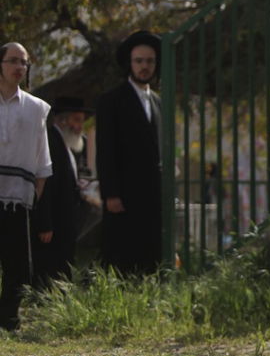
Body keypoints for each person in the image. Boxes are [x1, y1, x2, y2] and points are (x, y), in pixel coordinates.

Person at [96, 30, 164, 275]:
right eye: (139, 61)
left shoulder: (158, 102)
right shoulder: (111, 101)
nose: (144, 67)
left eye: (149, 61)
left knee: (150, 257)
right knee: (121, 258)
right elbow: (105, 150)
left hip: (152, 194)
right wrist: (111, 193)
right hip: (123, 195)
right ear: (130, 63)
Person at [0, 42, 52, 330]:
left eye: (24, 62)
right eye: (13, 61)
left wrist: (34, 194)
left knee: (17, 264)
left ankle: (8, 318)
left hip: (18, 198)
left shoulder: (36, 109)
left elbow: (42, 160)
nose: (19, 67)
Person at [32, 96, 91, 289]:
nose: (79, 127)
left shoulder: (65, 143)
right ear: (62, 120)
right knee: (48, 273)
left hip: (64, 223)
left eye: (81, 121)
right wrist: (44, 223)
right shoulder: (51, 141)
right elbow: (45, 184)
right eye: (76, 120)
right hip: (53, 225)